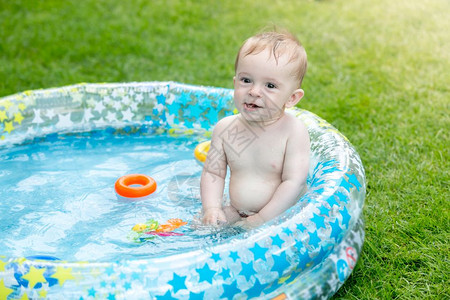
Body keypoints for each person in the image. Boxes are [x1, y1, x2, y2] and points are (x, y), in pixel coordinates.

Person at [201, 30, 310, 228]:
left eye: (270, 85)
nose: (254, 91)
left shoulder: (293, 132)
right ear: (235, 83)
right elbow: (213, 173)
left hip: (280, 215)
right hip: (237, 210)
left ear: (291, 98)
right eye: (246, 80)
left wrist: (263, 219)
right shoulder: (226, 129)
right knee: (202, 228)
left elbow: (294, 183)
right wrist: (212, 208)